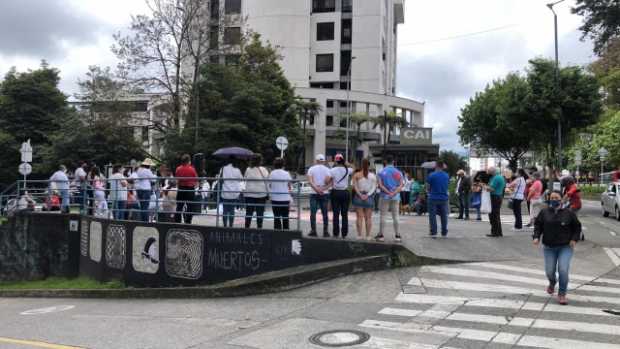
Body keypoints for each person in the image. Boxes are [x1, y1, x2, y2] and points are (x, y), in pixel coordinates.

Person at [533, 190, 581, 305]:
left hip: (565, 247)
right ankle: (552, 282)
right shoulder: (544, 212)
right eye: (552, 198)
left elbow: (577, 227)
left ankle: (562, 294)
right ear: (549, 199)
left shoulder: (569, 213)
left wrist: (574, 239)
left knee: (563, 270)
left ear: (561, 199)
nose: (554, 200)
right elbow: (538, 225)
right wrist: (536, 237)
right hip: (549, 247)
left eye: (556, 197)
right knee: (550, 272)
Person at [376, 155, 404, 242]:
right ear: (393, 162)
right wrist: (394, 193)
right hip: (395, 197)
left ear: (385, 162)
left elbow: (380, 185)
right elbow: (401, 185)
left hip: (384, 196)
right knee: (396, 216)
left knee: (383, 215)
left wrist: (388, 193)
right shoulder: (398, 172)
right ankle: (397, 235)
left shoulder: (381, 172)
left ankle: (381, 235)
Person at [329, 154, 354, 238]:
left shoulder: (332, 170)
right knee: (344, 214)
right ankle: (344, 233)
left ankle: (336, 233)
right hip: (345, 193)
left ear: (335, 161)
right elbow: (354, 168)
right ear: (343, 160)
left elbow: (327, 180)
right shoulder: (347, 169)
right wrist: (347, 163)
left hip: (335, 192)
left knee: (335, 214)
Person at [307, 154, 332, 237]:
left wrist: (316, 189)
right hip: (324, 193)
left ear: (316, 161)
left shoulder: (311, 169)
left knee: (313, 213)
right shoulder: (328, 170)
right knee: (325, 213)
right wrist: (323, 189)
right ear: (324, 161)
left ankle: (313, 231)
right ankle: (325, 232)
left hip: (314, 193)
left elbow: (310, 181)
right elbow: (331, 182)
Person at [352, 158, 377, 240]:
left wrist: (360, 194)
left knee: (359, 217)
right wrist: (368, 195)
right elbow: (374, 187)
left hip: (358, 196)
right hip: (369, 197)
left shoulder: (357, 175)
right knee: (368, 218)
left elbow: (354, 186)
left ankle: (359, 235)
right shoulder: (373, 176)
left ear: (361, 165)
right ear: (369, 166)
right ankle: (368, 236)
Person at [244, 155, 270, 229]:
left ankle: (247, 228)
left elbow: (244, 179)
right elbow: (267, 181)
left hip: (249, 194)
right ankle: (259, 228)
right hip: (261, 194)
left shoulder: (248, 169)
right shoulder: (264, 170)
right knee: (260, 213)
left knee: (249, 212)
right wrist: (269, 193)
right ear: (260, 161)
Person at [427, 161, 450, 237]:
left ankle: (433, 231)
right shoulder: (446, 175)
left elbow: (428, 187)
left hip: (433, 197)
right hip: (444, 198)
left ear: (436, 166)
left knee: (432, 215)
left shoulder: (431, 175)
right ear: (442, 167)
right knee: (444, 215)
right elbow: (447, 186)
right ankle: (444, 232)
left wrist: (429, 191)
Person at [269, 158, 292, 230]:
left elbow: (269, 185)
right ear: (283, 164)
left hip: (275, 198)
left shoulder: (272, 173)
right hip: (285, 198)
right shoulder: (287, 173)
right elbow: (289, 185)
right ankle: (286, 232)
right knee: (285, 217)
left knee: (276, 217)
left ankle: (277, 233)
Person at [175, 154, 199, 224]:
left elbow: (177, 180)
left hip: (181, 189)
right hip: (190, 189)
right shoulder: (192, 169)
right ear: (188, 161)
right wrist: (195, 187)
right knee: (190, 207)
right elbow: (196, 180)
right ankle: (188, 222)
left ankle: (177, 222)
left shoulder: (178, 169)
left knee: (179, 207)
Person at [219, 157, 243, 227]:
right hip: (234, 193)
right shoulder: (237, 170)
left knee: (225, 210)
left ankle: (225, 226)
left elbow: (220, 179)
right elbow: (241, 179)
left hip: (225, 192)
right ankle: (231, 226)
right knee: (232, 210)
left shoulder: (223, 168)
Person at [486, 166, 505, 237]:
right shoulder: (499, 177)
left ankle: (495, 232)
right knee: (496, 215)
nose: (487, 173)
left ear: (492, 172)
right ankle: (499, 232)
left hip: (495, 197)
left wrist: (484, 187)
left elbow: (492, 189)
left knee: (493, 215)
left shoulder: (496, 178)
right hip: (498, 196)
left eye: (488, 171)